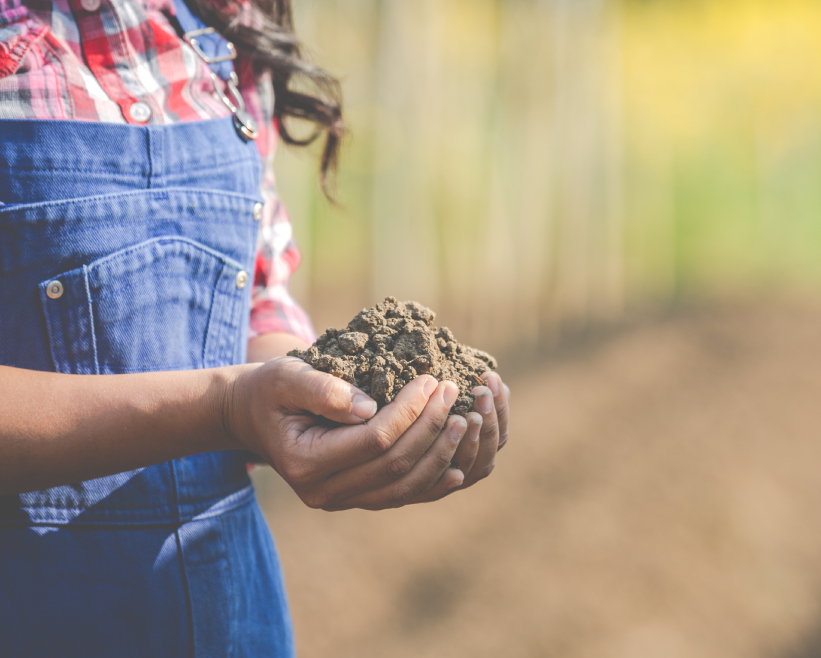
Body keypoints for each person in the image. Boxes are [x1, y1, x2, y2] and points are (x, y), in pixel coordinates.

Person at [0, 1, 510, 655]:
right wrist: (230, 408)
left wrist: (324, 396)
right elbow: (233, 392)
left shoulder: (214, 28)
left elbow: (249, 299)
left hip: (227, 617)